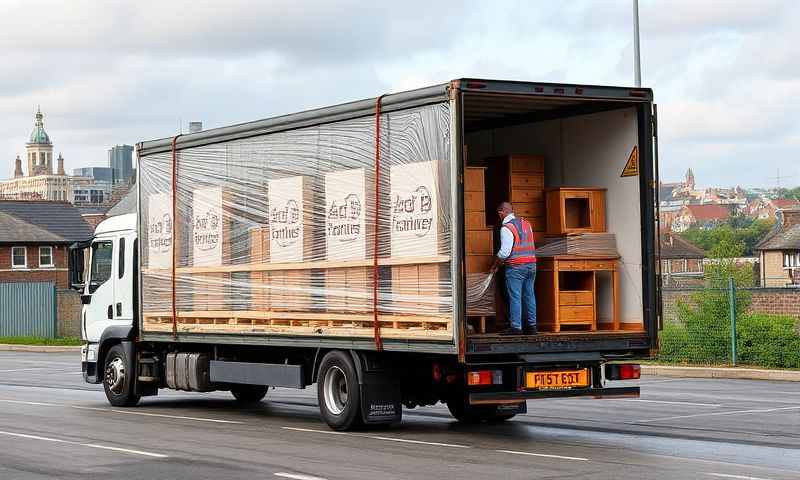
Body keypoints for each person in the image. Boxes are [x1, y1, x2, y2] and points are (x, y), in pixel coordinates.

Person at [490, 202, 537, 335]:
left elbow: (504, 252)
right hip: (532, 265)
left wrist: (495, 266)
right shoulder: (527, 224)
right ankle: (532, 326)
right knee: (529, 295)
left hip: (516, 267)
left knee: (515, 296)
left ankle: (516, 327)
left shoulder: (506, 228)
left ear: (501, 212)